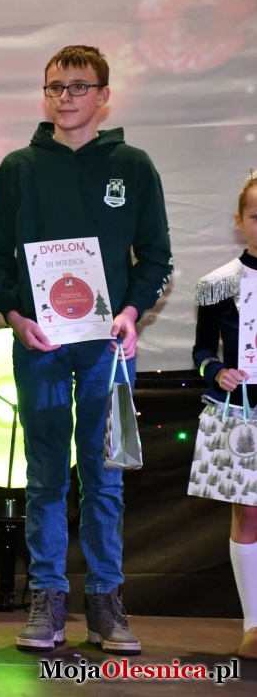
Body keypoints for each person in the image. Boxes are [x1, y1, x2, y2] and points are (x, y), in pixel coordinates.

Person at [0, 45, 173, 654]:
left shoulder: (132, 166)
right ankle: (47, 600)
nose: (66, 97)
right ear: (45, 95)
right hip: (39, 345)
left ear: (103, 96)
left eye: (79, 86)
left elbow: (157, 259)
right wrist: (15, 317)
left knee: (104, 478)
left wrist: (130, 313)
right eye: (55, 87)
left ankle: (106, 603)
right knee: (43, 478)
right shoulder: (18, 168)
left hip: (106, 350)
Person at [191, 171, 257, 661]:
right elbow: (200, 350)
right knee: (247, 513)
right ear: (240, 221)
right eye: (256, 215)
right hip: (242, 413)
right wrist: (216, 371)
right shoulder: (217, 284)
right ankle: (254, 626)